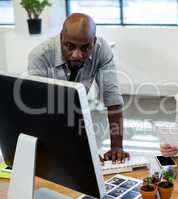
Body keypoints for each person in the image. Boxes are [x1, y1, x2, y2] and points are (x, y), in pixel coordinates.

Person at [27, 13, 129, 164]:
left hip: (75, 115)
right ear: (61, 38)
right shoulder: (40, 56)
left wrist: (116, 147)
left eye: (85, 48)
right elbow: (41, 113)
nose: (77, 55)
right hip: (47, 119)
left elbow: (112, 98)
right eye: (70, 46)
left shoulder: (101, 50)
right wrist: (75, 151)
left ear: (94, 42)